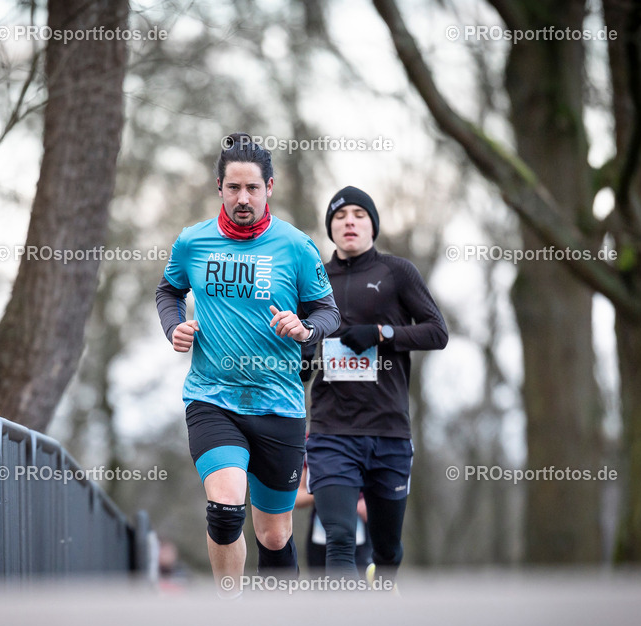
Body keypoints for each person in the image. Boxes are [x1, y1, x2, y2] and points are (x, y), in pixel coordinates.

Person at [155, 133, 340, 596]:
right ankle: (231, 614)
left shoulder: (296, 246)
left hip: (279, 404)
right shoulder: (192, 241)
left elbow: (329, 312)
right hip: (212, 397)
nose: (242, 198)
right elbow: (168, 291)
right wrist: (174, 326)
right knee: (225, 505)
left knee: (274, 535)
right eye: (233, 188)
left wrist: (305, 329)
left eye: (252, 188)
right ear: (219, 187)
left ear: (270, 187)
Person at [303, 186, 448, 586]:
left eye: (359, 214)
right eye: (340, 215)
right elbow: (301, 347)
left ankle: (383, 597)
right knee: (339, 538)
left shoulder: (396, 272)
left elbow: (437, 333)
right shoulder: (314, 278)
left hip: (388, 431)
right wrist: (302, 357)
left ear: (372, 225)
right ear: (331, 228)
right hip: (332, 431)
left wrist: (381, 333)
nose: (349, 221)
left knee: (387, 550)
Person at [294, 464, 372, 575]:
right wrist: (328, 492)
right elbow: (297, 497)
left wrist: (369, 504)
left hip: (361, 535)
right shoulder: (313, 452)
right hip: (321, 536)